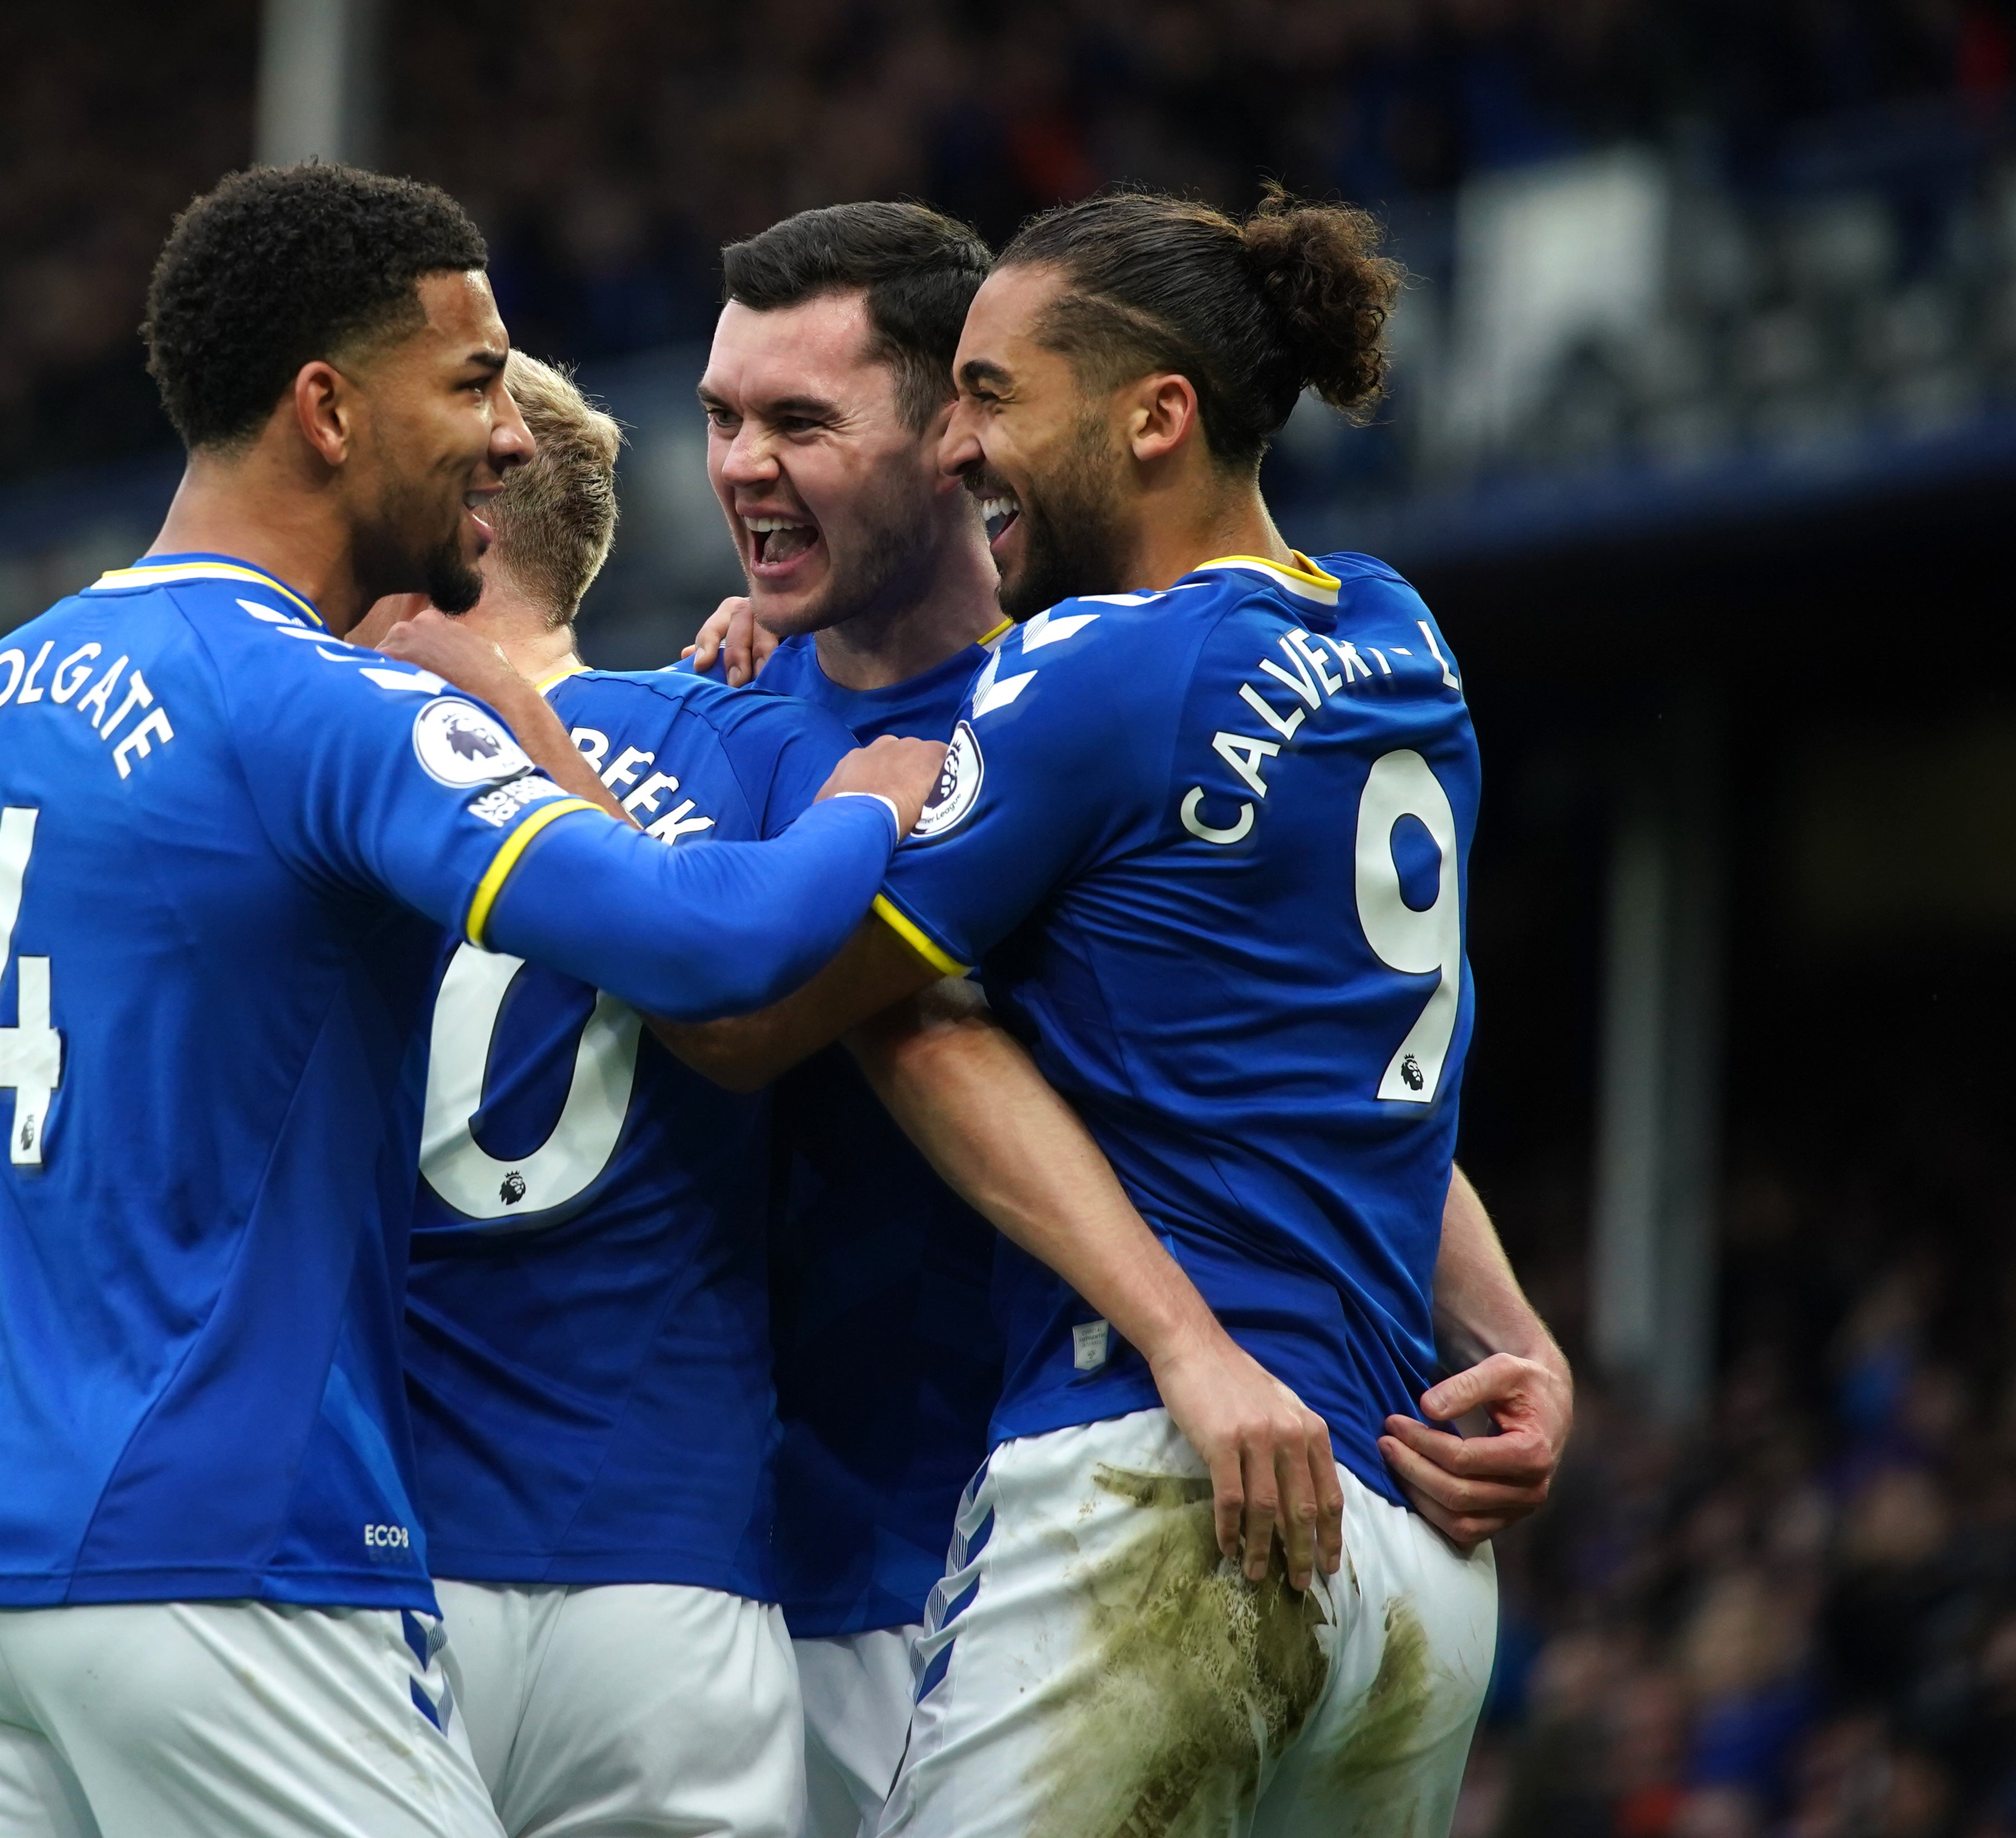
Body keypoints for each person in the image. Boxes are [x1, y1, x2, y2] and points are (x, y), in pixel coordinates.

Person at [0, 162, 942, 1838]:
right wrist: (873, 795)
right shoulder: (324, 709)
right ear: (326, 409)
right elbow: (703, 945)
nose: (512, 434)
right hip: (229, 1559)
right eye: (472, 379)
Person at [665, 184, 1573, 1836]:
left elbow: (794, 1012)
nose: (960, 452)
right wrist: (1516, 1341)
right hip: (1410, 1552)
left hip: (1163, 1478)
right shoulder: (1394, 634)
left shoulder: (1085, 669)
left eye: (994, 398)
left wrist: (602, 749)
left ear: (1158, 416)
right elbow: (1337, 1075)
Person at [351, 351, 857, 1837]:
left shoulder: (322, 746)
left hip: (369, 1571)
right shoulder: (748, 725)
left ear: (476, 510)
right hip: (671, 1566)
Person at [671, 200, 1013, 1837]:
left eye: (801, 420)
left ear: (960, 426)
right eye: (724, 417)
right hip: (708, 1593)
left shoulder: (1067, 725)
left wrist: (1501, 1331)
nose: (743, 464)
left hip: (976, 1569)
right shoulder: (702, 715)